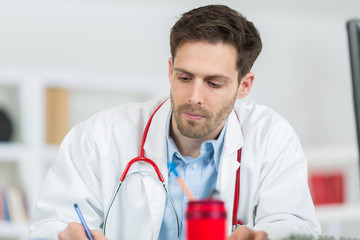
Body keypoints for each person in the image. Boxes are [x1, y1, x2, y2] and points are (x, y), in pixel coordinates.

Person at [28, 4, 321, 240]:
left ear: (244, 86)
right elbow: (48, 226)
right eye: (184, 77)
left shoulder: (271, 137)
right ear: (170, 69)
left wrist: (264, 236)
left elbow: (296, 226)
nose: (194, 96)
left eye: (214, 83)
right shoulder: (99, 136)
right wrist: (63, 235)